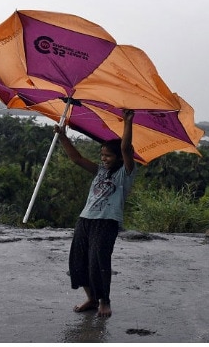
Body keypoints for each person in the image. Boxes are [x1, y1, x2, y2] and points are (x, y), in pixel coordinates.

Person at [54, 109, 137, 318]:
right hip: (85, 219)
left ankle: (104, 301)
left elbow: (126, 148)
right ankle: (91, 299)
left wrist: (128, 122)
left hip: (106, 222)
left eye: (108, 155)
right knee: (78, 261)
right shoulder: (100, 171)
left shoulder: (125, 173)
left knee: (98, 261)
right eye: (102, 155)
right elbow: (77, 159)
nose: (104, 159)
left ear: (119, 157)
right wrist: (63, 137)